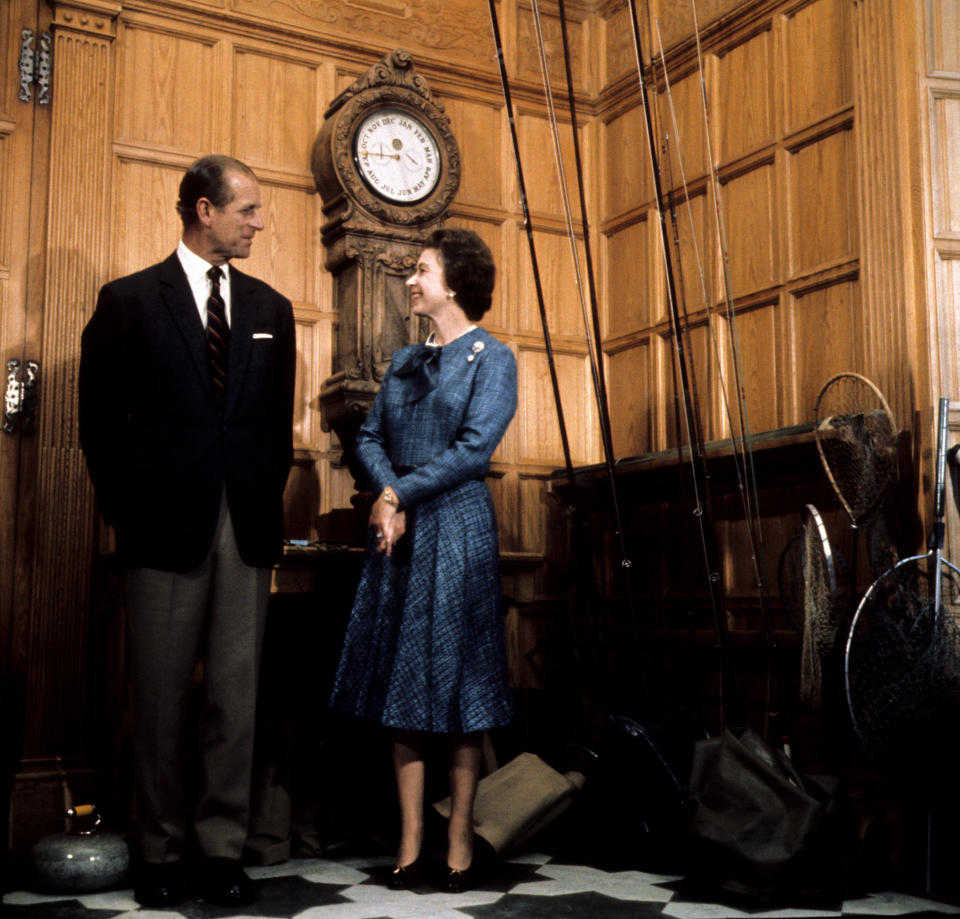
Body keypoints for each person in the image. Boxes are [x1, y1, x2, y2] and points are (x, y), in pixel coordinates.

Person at [78, 154, 296, 908]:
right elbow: (100, 429)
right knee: (162, 699)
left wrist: (261, 512)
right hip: (162, 534)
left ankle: (220, 850)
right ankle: (161, 850)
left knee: (235, 701)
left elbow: (273, 432)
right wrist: (130, 519)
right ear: (205, 209)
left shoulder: (272, 309)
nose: (259, 222)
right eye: (249, 210)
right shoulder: (130, 302)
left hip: (246, 532)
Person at [329, 227, 517, 893]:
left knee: (461, 687)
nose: (412, 280)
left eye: (423, 270)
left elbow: (472, 450)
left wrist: (397, 492)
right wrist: (388, 496)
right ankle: (410, 840)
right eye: (412, 269)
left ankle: (460, 836)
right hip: (399, 531)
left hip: (456, 525)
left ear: (457, 282)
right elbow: (372, 434)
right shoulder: (406, 360)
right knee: (402, 686)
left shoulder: (494, 360)